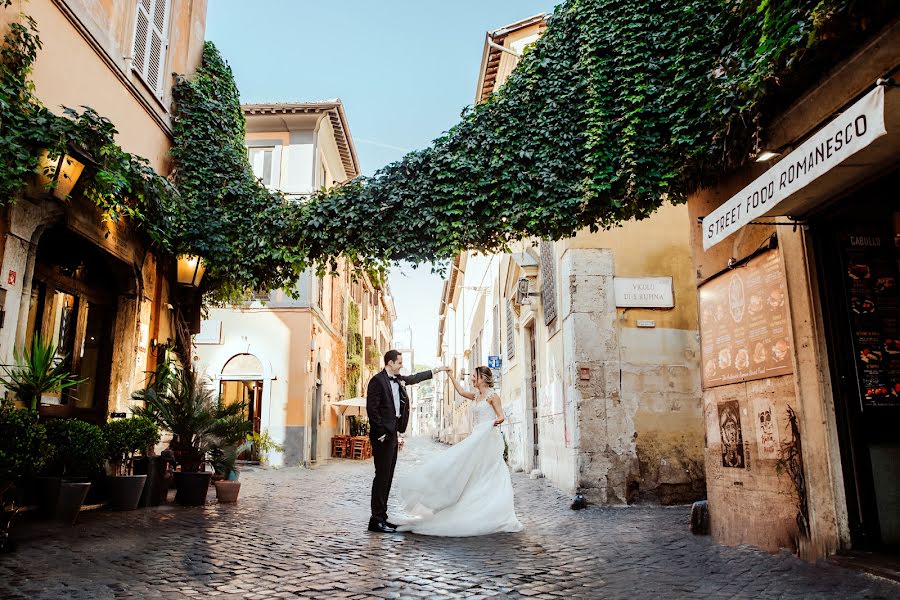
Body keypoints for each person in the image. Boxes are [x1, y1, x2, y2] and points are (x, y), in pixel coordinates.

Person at [392, 365, 523, 537]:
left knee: (491, 472)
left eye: (474, 376)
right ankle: (478, 505)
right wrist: (451, 376)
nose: (472, 379)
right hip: (477, 438)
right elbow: (461, 392)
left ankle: (494, 510)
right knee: (474, 472)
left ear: (483, 377)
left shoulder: (493, 396)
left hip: (489, 439)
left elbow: (501, 416)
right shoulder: (476, 395)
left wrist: (490, 424)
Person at [366, 350, 448, 533]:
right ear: (389, 362)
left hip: (393, 434)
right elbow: (372, 410)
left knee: (387, 477)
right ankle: (375, 520)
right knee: (381, 477)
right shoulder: (377, 381)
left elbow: (415, 378)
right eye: (399, 362)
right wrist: (381, 434)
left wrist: (437, 370)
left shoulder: (399, 379)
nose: (401, 365)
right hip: (383, 436)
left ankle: (382, 516)